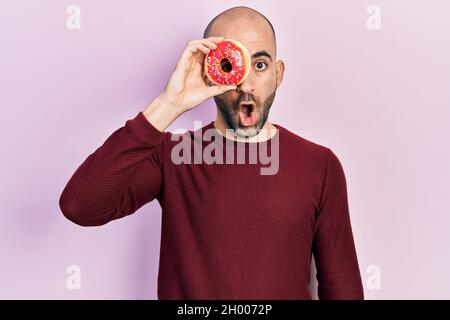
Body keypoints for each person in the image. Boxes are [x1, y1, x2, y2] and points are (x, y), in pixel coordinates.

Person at [59, 6, 364, 300]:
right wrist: (169, 103)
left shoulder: (319, 165)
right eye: (231, 67)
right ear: (210, 72)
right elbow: (80, 206)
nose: (246, 86)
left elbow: (342, 288)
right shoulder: (174, 156)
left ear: (278, 73)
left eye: (259, 66)